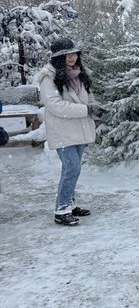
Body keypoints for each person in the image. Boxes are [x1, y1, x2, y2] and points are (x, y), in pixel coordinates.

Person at [37, 37, 106, 226]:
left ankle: (70, 204)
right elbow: (55, 106)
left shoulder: (79, 73)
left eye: (74, 53)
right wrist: (86, 110)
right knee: (72, 169)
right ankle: (61, 210)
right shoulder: (48, 77)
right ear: (59, 57)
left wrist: (95, 107)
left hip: (79, 129)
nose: (72, 57)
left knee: (74, 170)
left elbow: (88, 96)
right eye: (67, 54)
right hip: (62, 131)